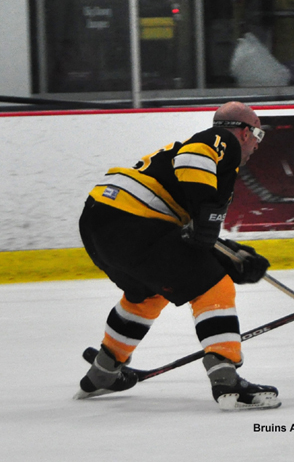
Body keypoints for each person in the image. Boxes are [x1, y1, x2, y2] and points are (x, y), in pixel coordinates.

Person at [75, 102, 279, 411]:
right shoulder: (223, 141)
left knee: (147, 293)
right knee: (213, 287)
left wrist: (229, 253)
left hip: (100, 222)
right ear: (244, 131)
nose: (256, 145)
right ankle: (228, 380)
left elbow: (189, 236)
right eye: (257, 136)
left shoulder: (191, 162)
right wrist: (210, 227)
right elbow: (193, 160)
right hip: (133, 221)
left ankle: (104, 370)